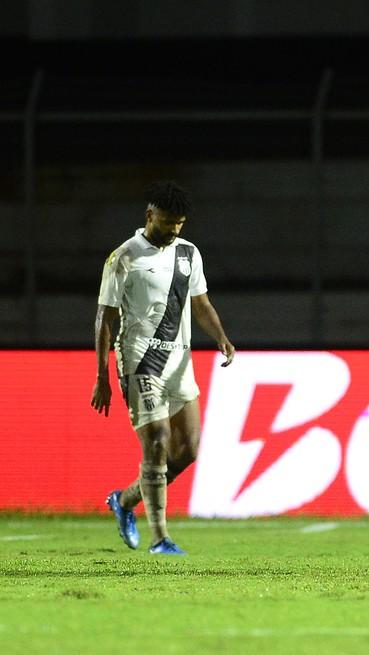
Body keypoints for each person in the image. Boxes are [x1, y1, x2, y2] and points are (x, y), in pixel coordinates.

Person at [93, 180, 235, 555]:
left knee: (188, 450)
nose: (173, 230)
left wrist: (221, 337)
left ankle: (124, 501)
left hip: (179, 362)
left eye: (179, 224)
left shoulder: (189, 253)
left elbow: (201, 303)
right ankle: (161, 539)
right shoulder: (124, 257)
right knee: (157, 442)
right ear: (149, 215)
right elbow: (104, 319)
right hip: (140, 361)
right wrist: (101, 376)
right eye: (167, 222)